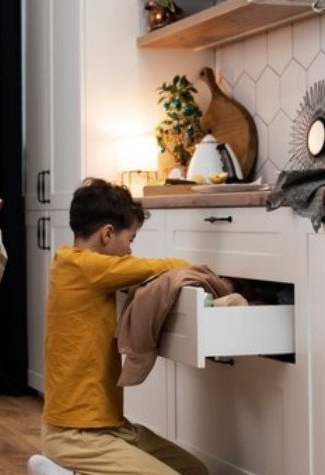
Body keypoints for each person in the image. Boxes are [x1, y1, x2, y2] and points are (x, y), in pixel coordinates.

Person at [38, 178, 208, 475]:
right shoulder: (87, 267)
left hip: (110, 426)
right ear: (107, 234)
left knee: (195, 470)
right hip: (76, 435)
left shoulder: (70, 264)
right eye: (130, 240)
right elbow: (169, 265)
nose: (130, 251)